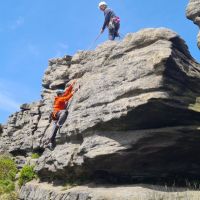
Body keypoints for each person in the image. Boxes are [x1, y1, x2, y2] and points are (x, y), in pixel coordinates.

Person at [48, 80, 77, 149]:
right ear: (60, 94)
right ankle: (59, 124)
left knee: (54, 129)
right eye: (62, 94)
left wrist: (72, 84)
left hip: (55, 116)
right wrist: (74, 91)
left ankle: (51, 142)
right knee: (64, 112)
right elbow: (67, 97)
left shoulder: (60, 97)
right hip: (57, 114)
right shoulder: (59, 99)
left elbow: (66, 92)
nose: (63, 94)